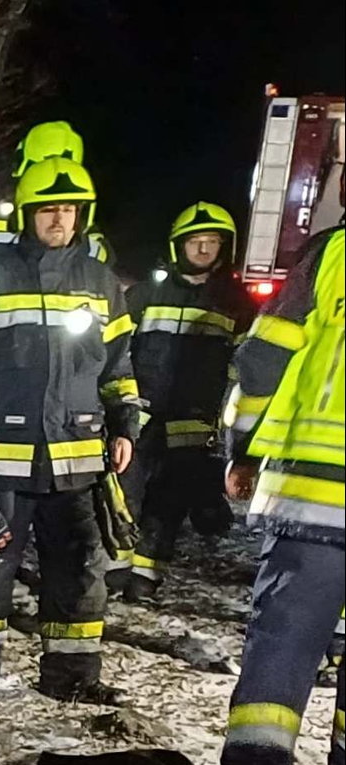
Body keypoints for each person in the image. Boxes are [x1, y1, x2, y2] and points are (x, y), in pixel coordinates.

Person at [0, 156, 140, 703]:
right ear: (28, 214)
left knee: (80, 571)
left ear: (81, 215)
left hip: (78, 458)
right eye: (47, 209)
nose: (58, 219)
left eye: (68, 209)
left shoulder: (101, 283)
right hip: (2, 455)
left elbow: (118, 366)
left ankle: (72, 677)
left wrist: (125, 426)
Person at [214, 224, 344, 765]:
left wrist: (241, 447)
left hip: (312, 494)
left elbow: (265, 358)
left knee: (284, 643)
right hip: (313, 494)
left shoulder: (330, 255)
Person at [115, 202, 254, 602]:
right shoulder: (146, 294)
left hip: (193, 423)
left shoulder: (237, 304)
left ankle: (146, 575)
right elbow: (115, 350)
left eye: (212, 242)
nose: (204, 249)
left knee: (169, 502)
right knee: (123, 494)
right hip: (140, 415)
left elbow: (244, 369)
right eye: (196, 241)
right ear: (179, 245)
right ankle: (114, 568)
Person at [0, 120, 109, 315]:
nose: (58, 217)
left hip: (61, 334)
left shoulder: (87, 239)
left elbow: (104, 291)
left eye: (67, 209)